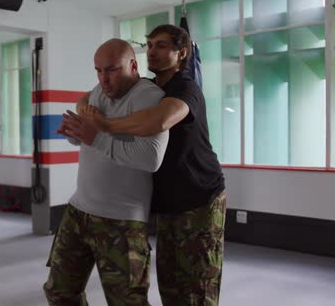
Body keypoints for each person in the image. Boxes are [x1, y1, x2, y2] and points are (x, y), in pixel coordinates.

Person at [69, 24, 226, 306]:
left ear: (182, 53)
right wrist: (86, 110)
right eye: (150, 44)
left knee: (197, 286)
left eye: (162, 45)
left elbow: (159, 121)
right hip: (167, 201)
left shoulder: (186, 87)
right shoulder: (150, 88)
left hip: (199, 197)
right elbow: (85, 98)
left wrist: (103, 125)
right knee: (170, 284)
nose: (152, 51)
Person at [43, 38, 169, 306]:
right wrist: (74, 133)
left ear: (133, 66)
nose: (104, 79)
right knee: (59, 292)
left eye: (111, 70)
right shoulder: (98, 92)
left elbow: (150, 159)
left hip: (121, 220)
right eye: (98, 71)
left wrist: (95, 137)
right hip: (78, 210)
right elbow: (88, 139)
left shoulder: (148, 96)